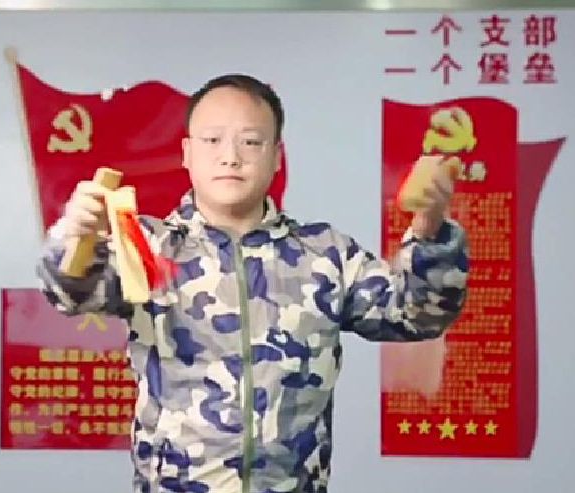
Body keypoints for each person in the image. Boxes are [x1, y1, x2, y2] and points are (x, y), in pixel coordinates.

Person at [35, 74, 468, 493]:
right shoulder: (149, 245)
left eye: (250, 141)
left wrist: (429, 232)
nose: (230, 157)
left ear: (277, 156)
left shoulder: (325, 255)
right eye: (212, 140)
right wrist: (75, 235)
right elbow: (69, 291)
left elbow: (417, 314)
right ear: (187, 153)